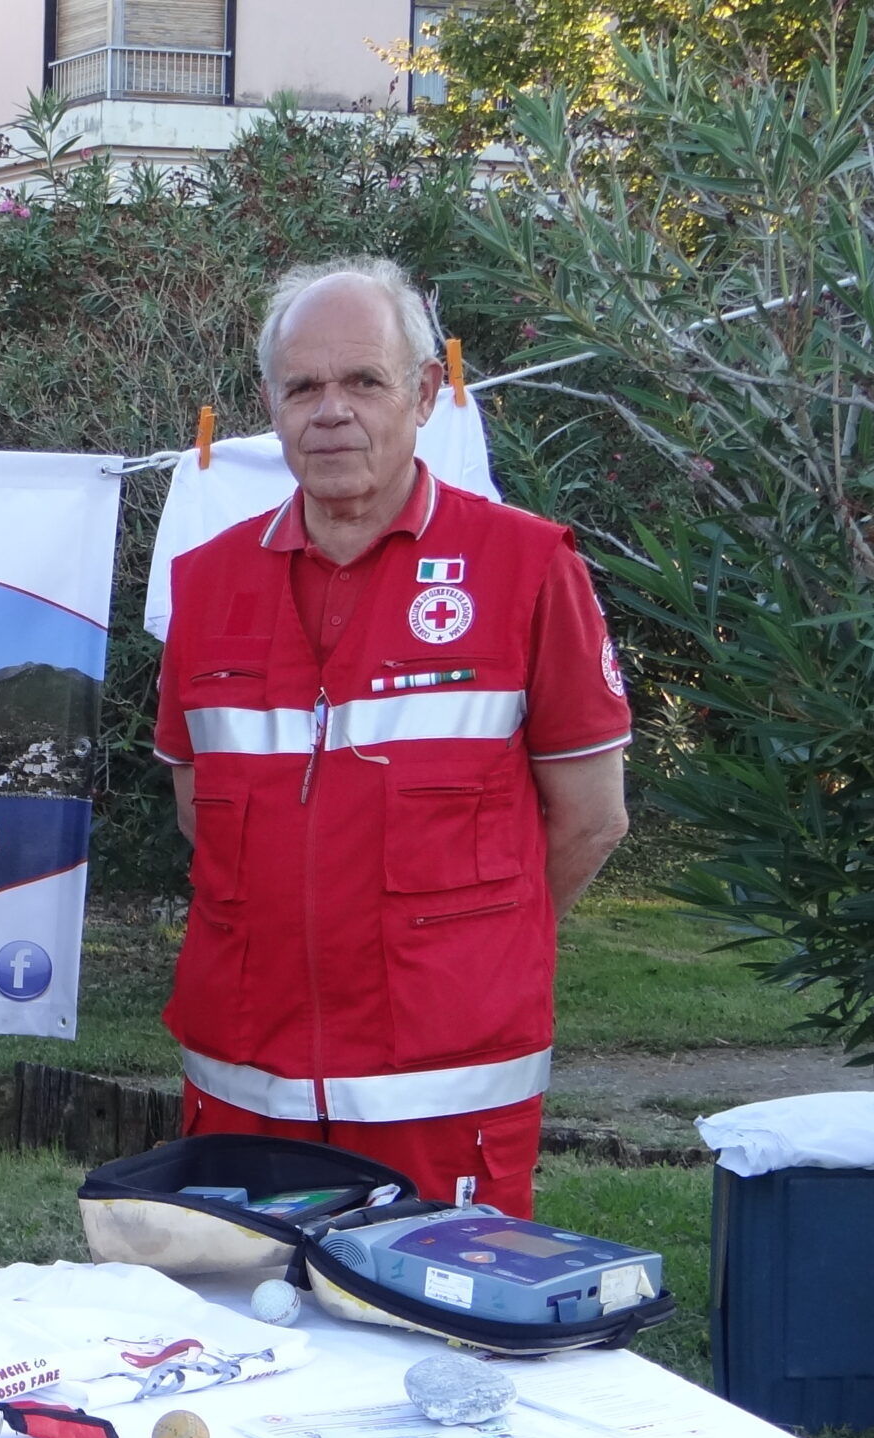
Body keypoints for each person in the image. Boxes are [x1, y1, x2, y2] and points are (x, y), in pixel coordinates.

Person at [152, 256, 631, 1215]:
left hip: (447, 1094)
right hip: (246, 1081)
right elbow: (200, 813)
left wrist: (465, 949)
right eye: (304, 387)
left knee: (435, 1347)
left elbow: (589, 821)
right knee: (254, 1350)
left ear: (420, 396)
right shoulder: (205, 584)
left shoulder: (527, 567)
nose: (331, 411)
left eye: (363, 381)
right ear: (271, 404)